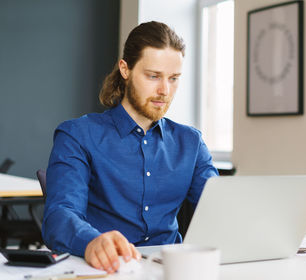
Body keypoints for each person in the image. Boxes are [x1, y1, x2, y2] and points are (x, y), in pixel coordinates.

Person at [42, 21, 218, 273]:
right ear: (125, 69)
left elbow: (220, 209)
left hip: (171, 271)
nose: (164, 90)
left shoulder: (191, 142)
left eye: (174, 78)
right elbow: (59, 216)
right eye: (153, 76)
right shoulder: (78, 135)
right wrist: (91, 241)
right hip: (107, 269)